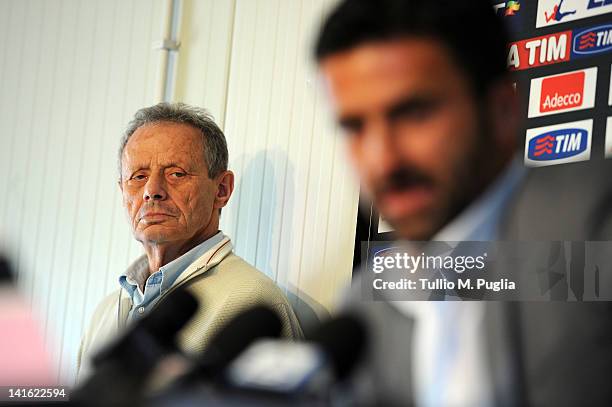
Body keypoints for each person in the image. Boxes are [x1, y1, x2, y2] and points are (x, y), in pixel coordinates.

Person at [315, 0, 612, 406]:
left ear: (502, 109)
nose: (383, 160)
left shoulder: (594, 219)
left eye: (414, 114)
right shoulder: (367, 303)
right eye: (355, 127)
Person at [77, 103, 302, 381]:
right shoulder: (105, 312)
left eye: (176, 173)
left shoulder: (251, 302)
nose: (152, 191)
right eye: (138, 176)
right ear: (123, 191)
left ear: (222, 190)